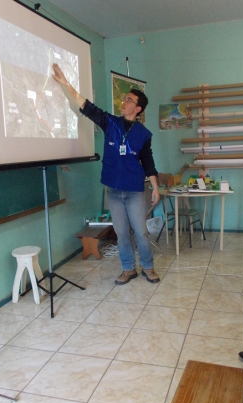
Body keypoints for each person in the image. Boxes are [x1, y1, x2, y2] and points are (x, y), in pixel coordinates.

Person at [52, 64, 161, 285]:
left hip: (134, 190)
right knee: (121, 233)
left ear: (138, 108)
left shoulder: (144, 134)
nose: (124, 102)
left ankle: (148, 267)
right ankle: (128, 268)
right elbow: (87, 106)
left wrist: (156, 186)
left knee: (140, 232)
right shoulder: (110, 122)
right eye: (125, 99)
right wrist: (66, 84)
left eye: (129, 100)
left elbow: (148, 160)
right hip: (113, 189)